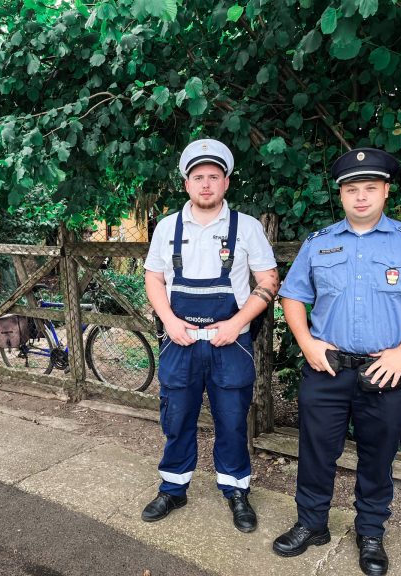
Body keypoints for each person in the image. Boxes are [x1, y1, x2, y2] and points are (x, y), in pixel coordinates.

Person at [273, 148, 401, 575]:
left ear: (385, 192)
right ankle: (311, 523)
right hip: (328, 367)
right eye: (352, 189)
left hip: (386, 371)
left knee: (378, 457)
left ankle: (371, 533)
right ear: (341, 195)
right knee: (316, 452)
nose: (361, 197)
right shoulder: (319, 243)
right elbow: (292, 296)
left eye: (370, 189)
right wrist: (306, 343)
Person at [141, 139, 279, 532]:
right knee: (177, 417)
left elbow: (268, 279)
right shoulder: (167, 227)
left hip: (229, 341)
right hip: (179, 340)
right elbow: (154, 277)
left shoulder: (247, 227)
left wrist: (237, 324)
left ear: (226, 182)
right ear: (187, 184)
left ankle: (236, 491)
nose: (205, 184)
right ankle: (173, 488)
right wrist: (168, 319)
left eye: (213, 177)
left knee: (233, 420)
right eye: (198, 177)